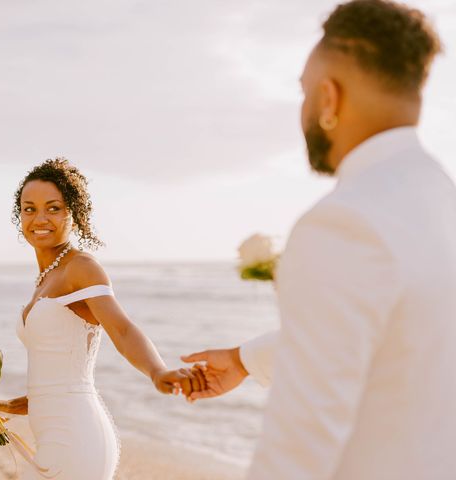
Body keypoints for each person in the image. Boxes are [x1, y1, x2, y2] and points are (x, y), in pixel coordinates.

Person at [182, 1, 456, 478]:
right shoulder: (441, 198)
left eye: (304, 93)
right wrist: (245, 360)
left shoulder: (342, 222)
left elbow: (299, 444)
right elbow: (395, 342)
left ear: (329, 99)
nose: (303, 110)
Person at [0, 159, 204, 479]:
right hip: (51, 436)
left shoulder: (81, 268)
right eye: (29, 209)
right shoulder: (44, 280)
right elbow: (54, 382)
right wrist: (1, 407)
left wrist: (157, 371)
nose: (39, 218)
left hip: (78, 439)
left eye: (53, 208)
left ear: (74, 213)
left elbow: (121, 329)